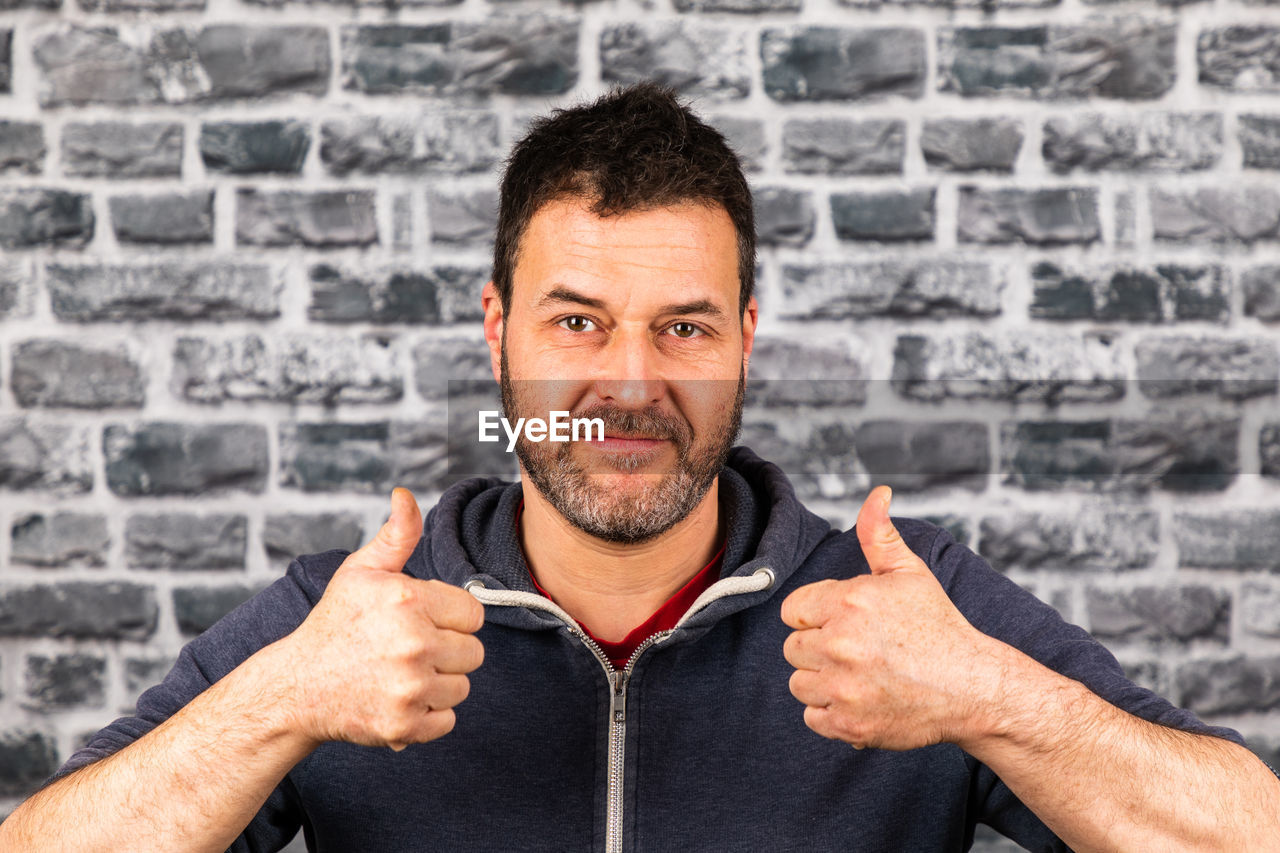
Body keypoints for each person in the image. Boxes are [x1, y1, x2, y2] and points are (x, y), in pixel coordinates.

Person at [2, 82, 1277, 853]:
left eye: (682, 328)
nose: (626, 383)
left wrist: (991, 699)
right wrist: (280, 701)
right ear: (496, 330)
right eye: (575, 323)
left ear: (744, 339)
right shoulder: (344, 625)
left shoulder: (912, 610)